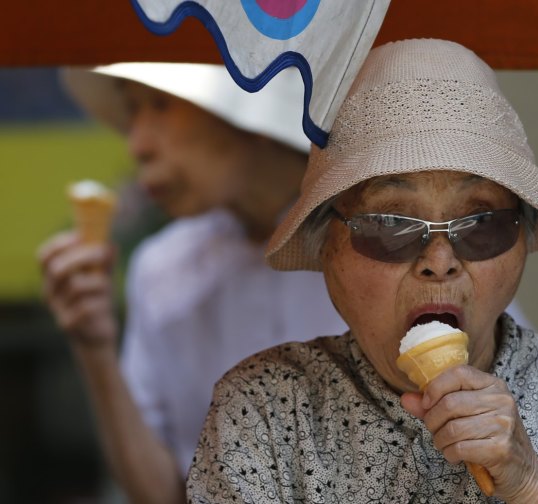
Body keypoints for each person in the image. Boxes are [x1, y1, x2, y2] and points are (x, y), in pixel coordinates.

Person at [187, 40, 538, 503]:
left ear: (520, 240)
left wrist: (532, 485)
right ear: (327, 250)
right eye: (390, 224)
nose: (439, 260)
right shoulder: (266, 412)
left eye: (481, 222)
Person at [37, 63, 348, 504]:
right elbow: (160, 493)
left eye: (160, 105)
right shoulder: (161, 269)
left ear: (253, 106)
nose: (138, 144)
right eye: (131, 110)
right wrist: (94, 345)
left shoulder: (376, 247)